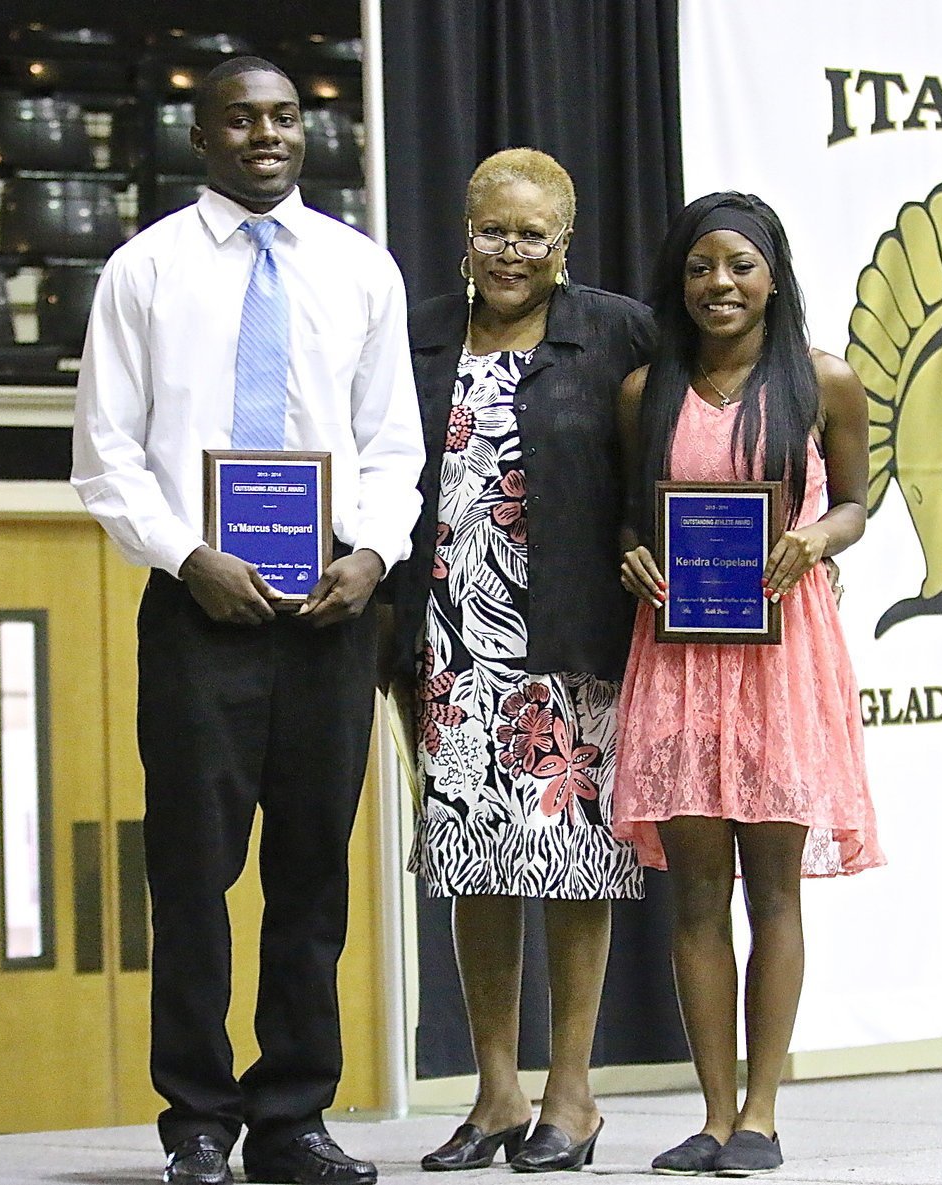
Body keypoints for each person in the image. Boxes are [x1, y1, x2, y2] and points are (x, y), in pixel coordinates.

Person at [71, 57, 423, 1185]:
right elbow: (107, 456)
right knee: (191, 873)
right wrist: (186, 556)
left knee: (314, 870)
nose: (265, 134)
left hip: (329, 608)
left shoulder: (363, 271)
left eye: (283, 117)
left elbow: (393, 447)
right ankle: (198, 1126)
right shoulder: (145, 271)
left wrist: (372, 551)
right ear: (202, 135)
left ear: (303, 133)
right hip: (198, 609)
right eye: (241, 118)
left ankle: (291, 1119)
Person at [389, 148, 653, 1173]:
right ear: (467, 233)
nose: (511, 250)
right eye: (494, 230)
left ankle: (572, 1097)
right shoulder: (418, 332)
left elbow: (681, 441)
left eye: (532, 234)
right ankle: (497, 1095)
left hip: (574, 639)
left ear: (564, 243)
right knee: (474, 867)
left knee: (572, 865)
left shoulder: (618, 330)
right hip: (448, 644)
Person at [613, 192, 884, 1177]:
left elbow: (856, 501)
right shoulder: (647, 390)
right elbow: (628, 519)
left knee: (772, 891)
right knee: (693, 897)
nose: (717, 285)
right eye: (698, 268)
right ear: (677, 282)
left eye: (738, 265)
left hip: (781, 659)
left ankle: (763, 1115)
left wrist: (818, 536)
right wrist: (634, 554)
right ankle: (714, 1114)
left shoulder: (822, 383)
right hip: (680, 659)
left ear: (773, 274)